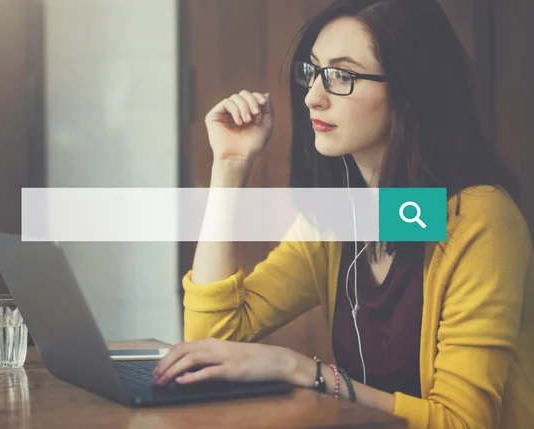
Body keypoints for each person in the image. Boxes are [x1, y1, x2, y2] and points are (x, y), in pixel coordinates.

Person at [153, 0, 534, 427]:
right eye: (312, 72)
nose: (313, 97)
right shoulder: (344, 215)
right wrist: (229, 165)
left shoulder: (478, 219)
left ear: (410, 89)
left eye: (341, 76)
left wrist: (300, 370)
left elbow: (462, 421)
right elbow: (210, 341)